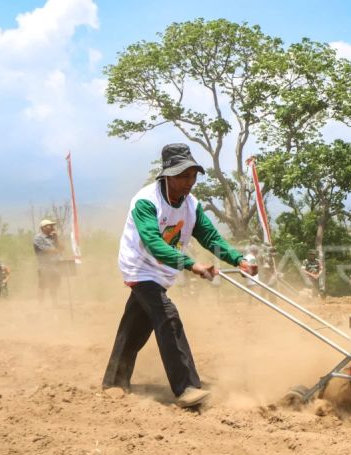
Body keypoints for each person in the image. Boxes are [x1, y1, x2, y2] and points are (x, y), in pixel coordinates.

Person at [102, 143, 256, 408]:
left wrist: (238, 259)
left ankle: (114, 382)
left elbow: (209, 236)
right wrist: (191, 264)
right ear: (167, 175)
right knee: (167, 316)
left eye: (193, 175)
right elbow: (152, 242)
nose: (190, 182)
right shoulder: (146, 201)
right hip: (140, 266)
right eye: (183, 176)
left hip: (163, 270)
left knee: (136, 325)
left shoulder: (191, 204)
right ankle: (186, 388)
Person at [33, 219, 63, 305]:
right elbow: (45, 249)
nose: (52, 227)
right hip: (44, 266)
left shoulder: (53, 237)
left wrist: (56, 238)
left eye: (52, 225)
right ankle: (41, 304)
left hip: (55, 266)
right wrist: (56, 250)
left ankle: (55, 303)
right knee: (42, 286)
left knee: (54, 285)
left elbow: (62, 248)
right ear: (43, 227)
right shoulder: (38, 237)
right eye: (50, 225)